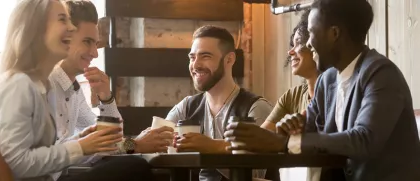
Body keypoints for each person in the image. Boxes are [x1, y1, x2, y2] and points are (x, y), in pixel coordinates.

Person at [224, 0, 420, 181]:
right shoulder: (327, 80)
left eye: (311, 32)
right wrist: (291, 129)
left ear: (334, 33)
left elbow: (364, 140)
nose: (308, 43)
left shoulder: (381, 74)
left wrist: (284, 144)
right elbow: (311, 135)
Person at [0, 1, 153, 181]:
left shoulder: (50, 86)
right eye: (62, 20)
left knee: (130, 166)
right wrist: (82, 146)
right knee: (133, 167)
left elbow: (107, 138)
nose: (69, 27)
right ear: (37, 30)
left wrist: (103, 105)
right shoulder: (21, 84)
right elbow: (18, 161)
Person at [49, 0, 173, 160]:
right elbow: (50, 157)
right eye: (87, 42)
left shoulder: (73, 88)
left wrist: (106, 98)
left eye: (96, 44)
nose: (95, 53)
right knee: (135, 166)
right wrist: (134, 145)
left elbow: (110, 140)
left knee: (132, 164)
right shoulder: (44, 85)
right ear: (64, 38)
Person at [166, 25, 274, 181]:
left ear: (229, 59)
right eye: (192, 57)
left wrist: (210, 148)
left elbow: (254, 175)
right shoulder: (186, 107)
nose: (195, 65)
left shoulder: (256, 107)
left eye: (205, 56)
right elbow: (157, 142)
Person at [260, 9, 320, 181]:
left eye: (298, 43)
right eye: (291, 45)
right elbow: (261, 139)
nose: (290, 52)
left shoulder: (338, 93)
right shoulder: (292, 96)